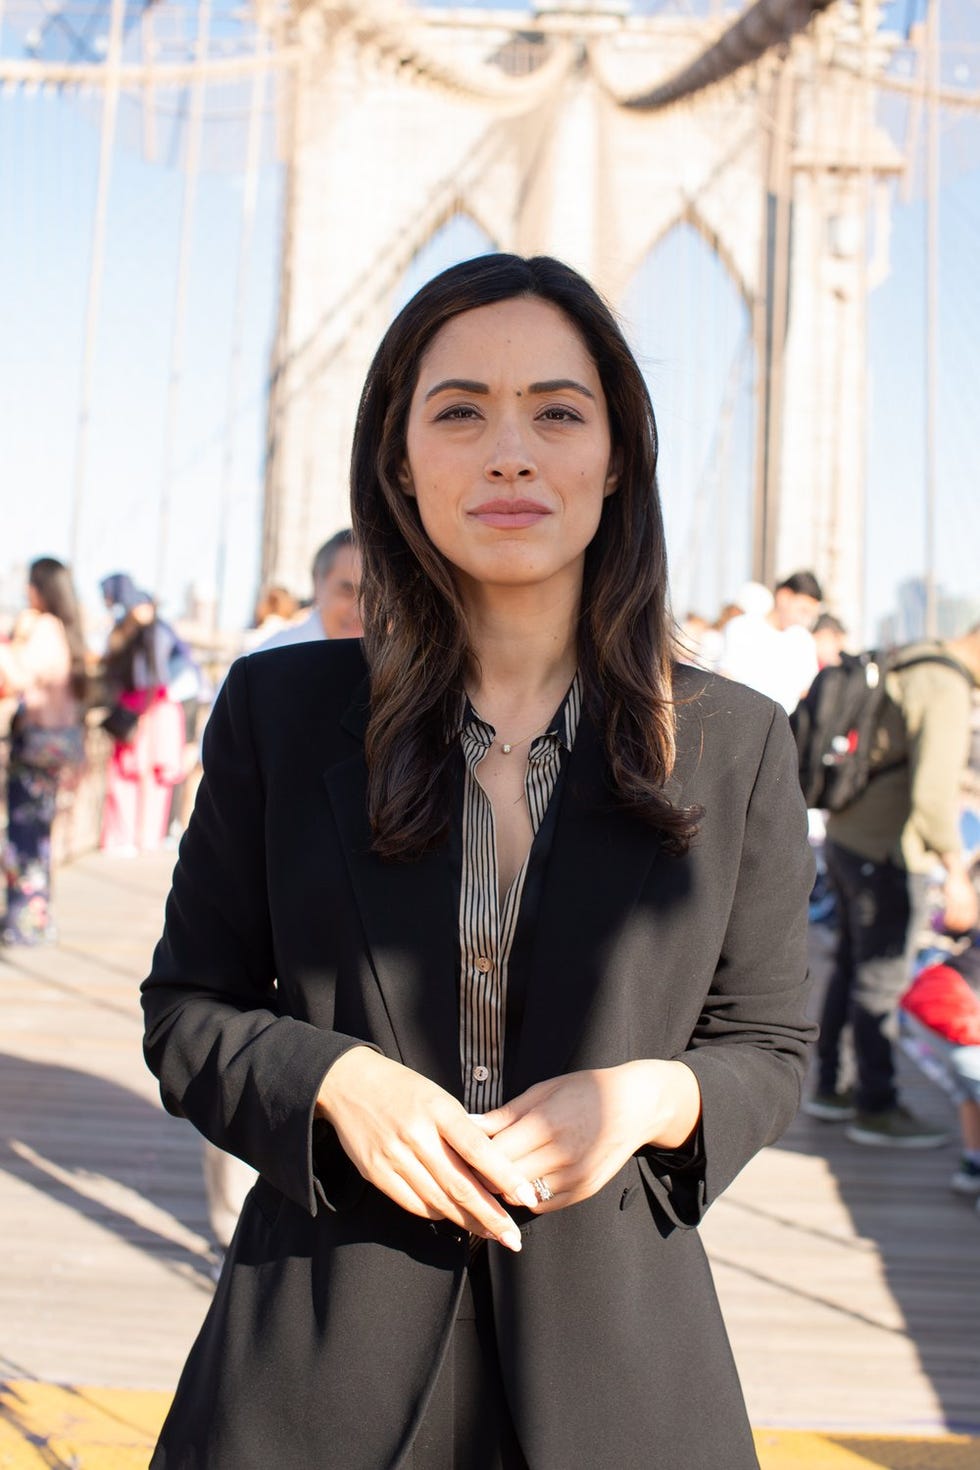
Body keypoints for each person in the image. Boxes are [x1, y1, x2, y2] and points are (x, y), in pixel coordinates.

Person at [141, 253, 816, 1469]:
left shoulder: (733, 745)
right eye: (460, 411)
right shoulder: (277, 714)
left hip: (622, 1377)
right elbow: (188, 1012)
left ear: (616, 459)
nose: (509, 452)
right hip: (311, 1366)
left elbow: (766, 1047)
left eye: (556, 412)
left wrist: (650, 1099)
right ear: (399, 462)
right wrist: (334, 1081)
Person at [805, 623, 980, 1144]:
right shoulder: (946, 689)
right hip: (886, 851)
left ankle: (830, 1087)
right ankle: (875, 1107)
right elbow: (931, 798)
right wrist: (957, 875)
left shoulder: (913, 657)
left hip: (846, 836)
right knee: (881, 980)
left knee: (850, 969)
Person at [0, 557, 87, 946]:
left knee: (24, 836)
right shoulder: (66, 629)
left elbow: (18, 676)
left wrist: (5, 645)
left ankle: (25, 924)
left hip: (35, 746)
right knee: (37, 835)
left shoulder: (44, 628)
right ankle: (36, 921)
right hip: (56, 747)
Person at [98, 574, 186, 855]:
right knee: (135, 773)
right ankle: (136, 837)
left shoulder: (151, 632)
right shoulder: (148, 631)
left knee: (145, 774)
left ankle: (138, 837)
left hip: (149, 706)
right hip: (147, 706)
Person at [720, 570, 823, 713]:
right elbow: (726, 678)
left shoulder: (804, 641)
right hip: (740, 718)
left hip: (783, 727)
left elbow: (806, 691)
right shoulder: (742, 628)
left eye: (812, 615)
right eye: (803, 611)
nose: (806, 621)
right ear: (784, 597)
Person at [251, 529, 363, 651]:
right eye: (348, 591)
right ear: (317, 583)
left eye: (376, 596)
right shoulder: (271, 660)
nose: (361, 610)